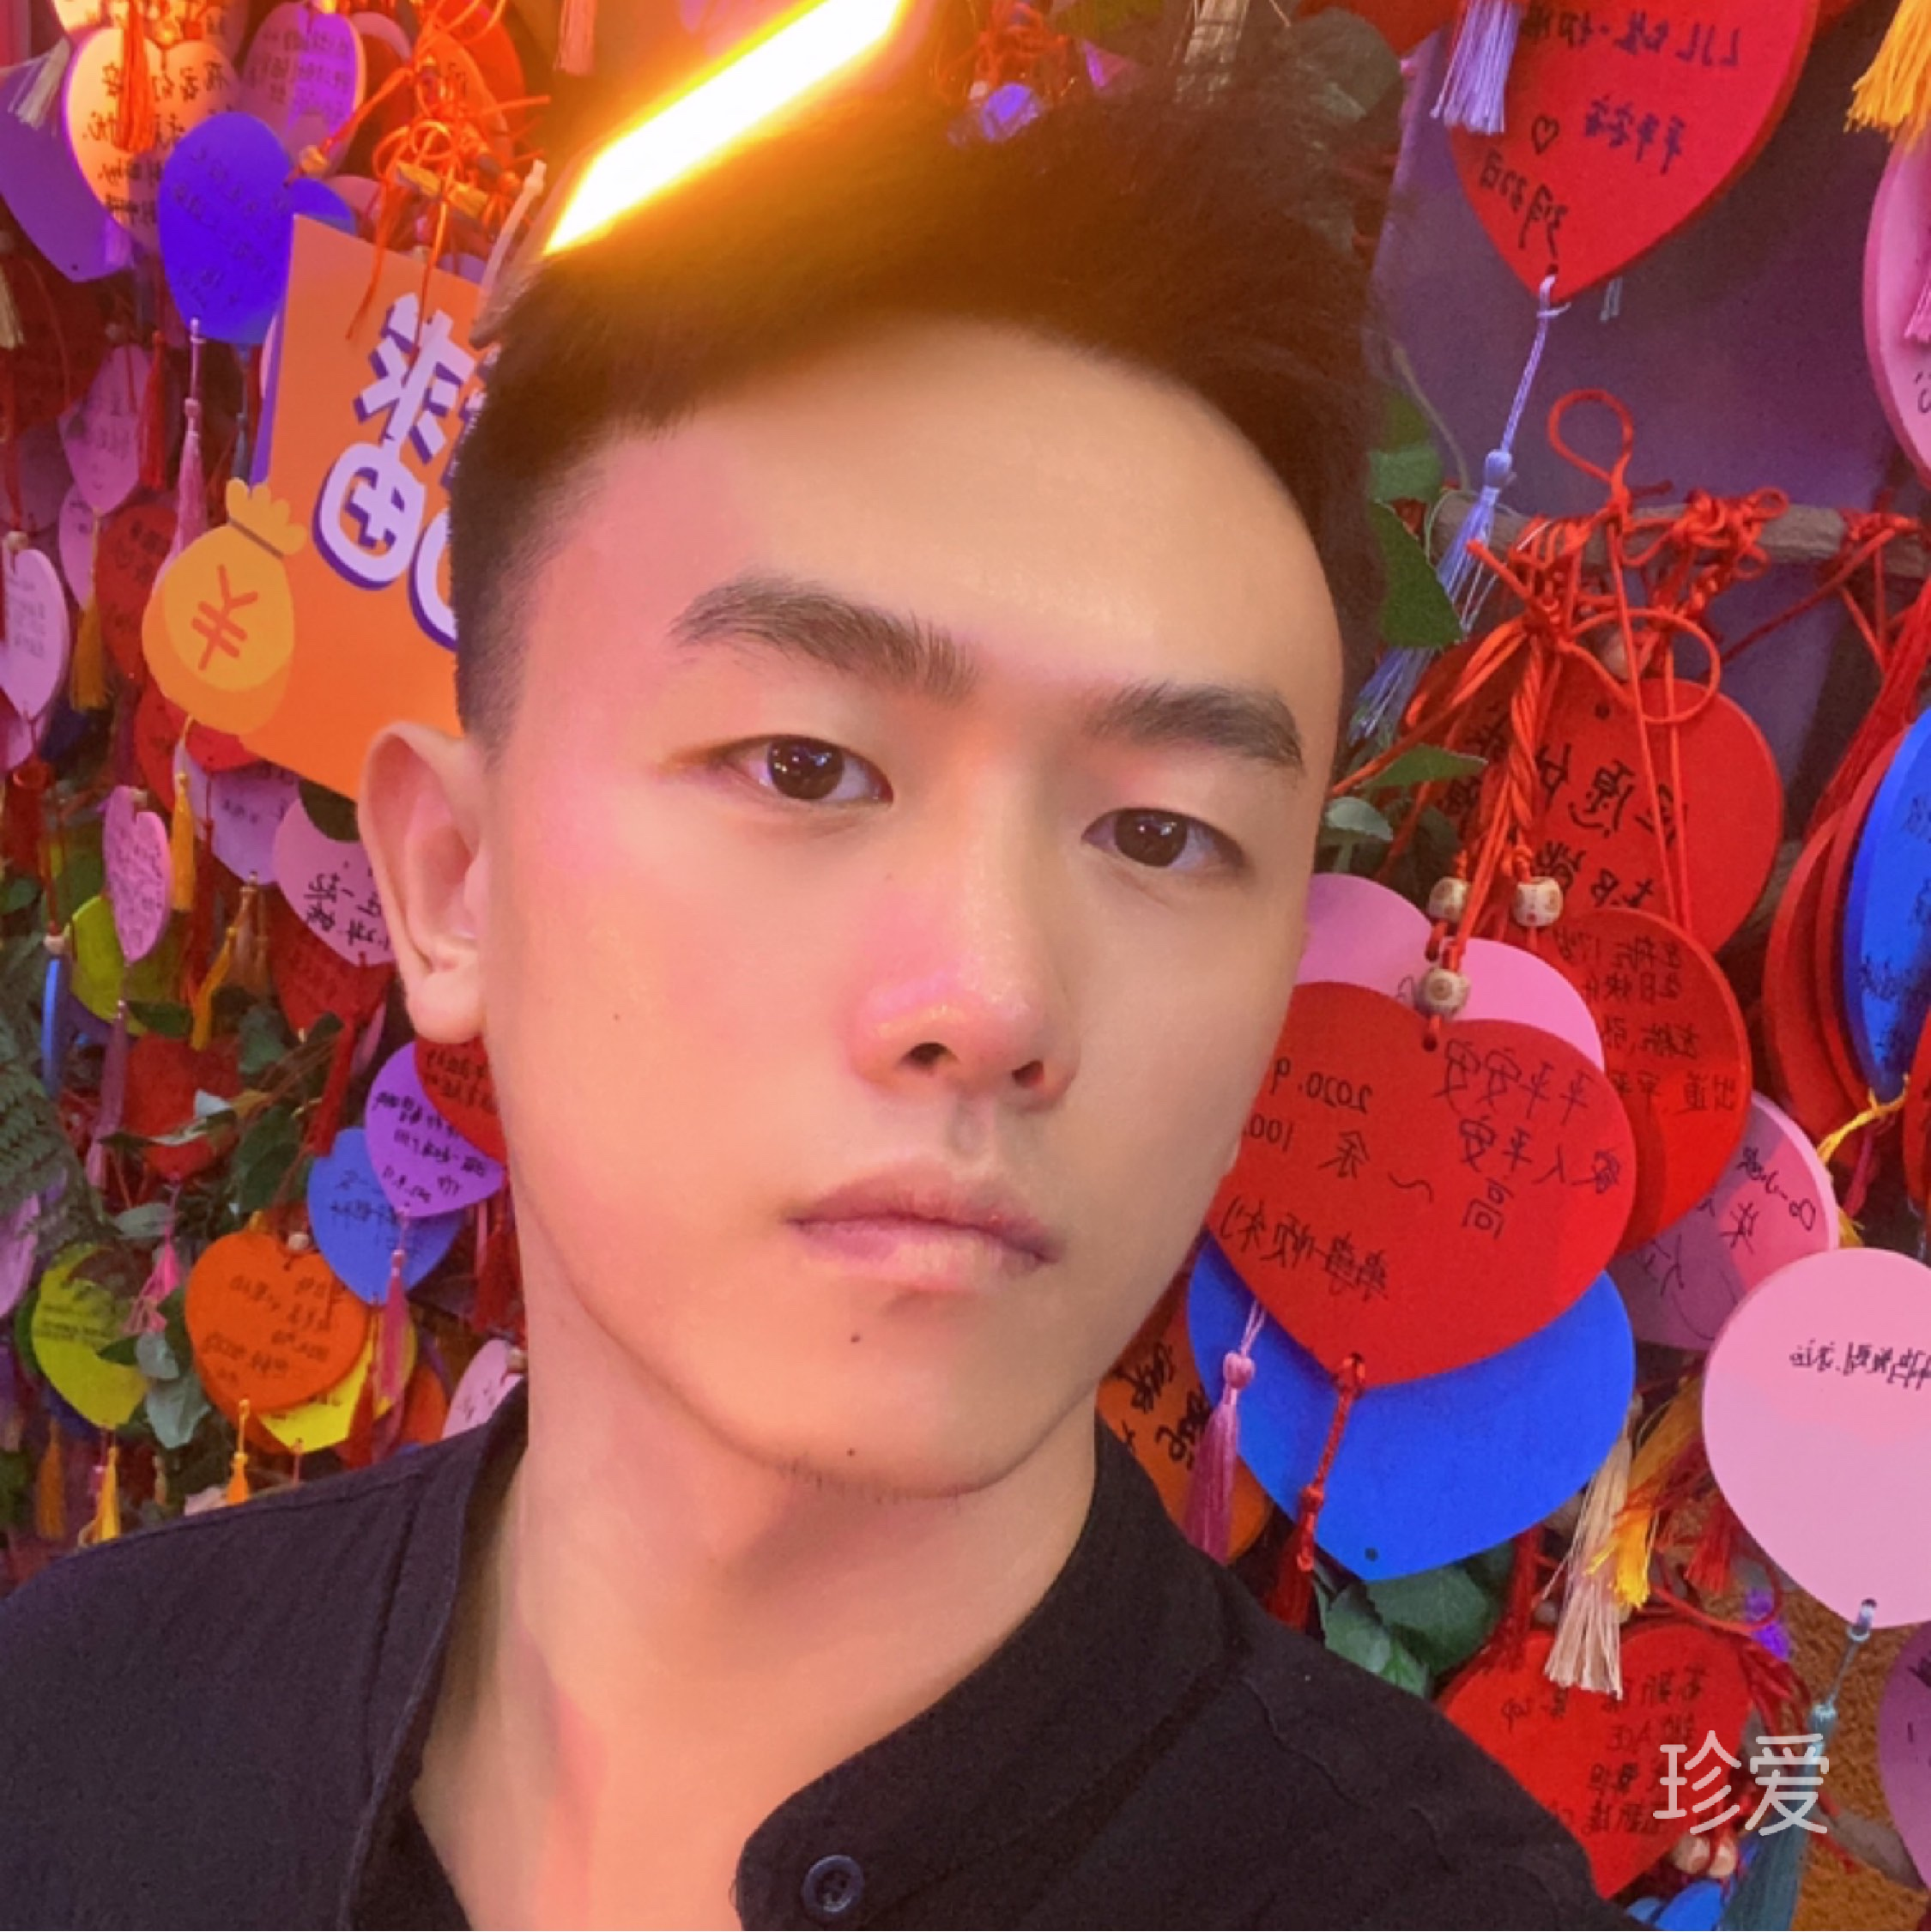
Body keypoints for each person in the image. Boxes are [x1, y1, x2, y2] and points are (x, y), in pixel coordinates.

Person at [0, 41, 1634, 1932]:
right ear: (450, 882)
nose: (995, 998)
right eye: (804, 767)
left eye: (1163, 834)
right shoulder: (85, 1728)